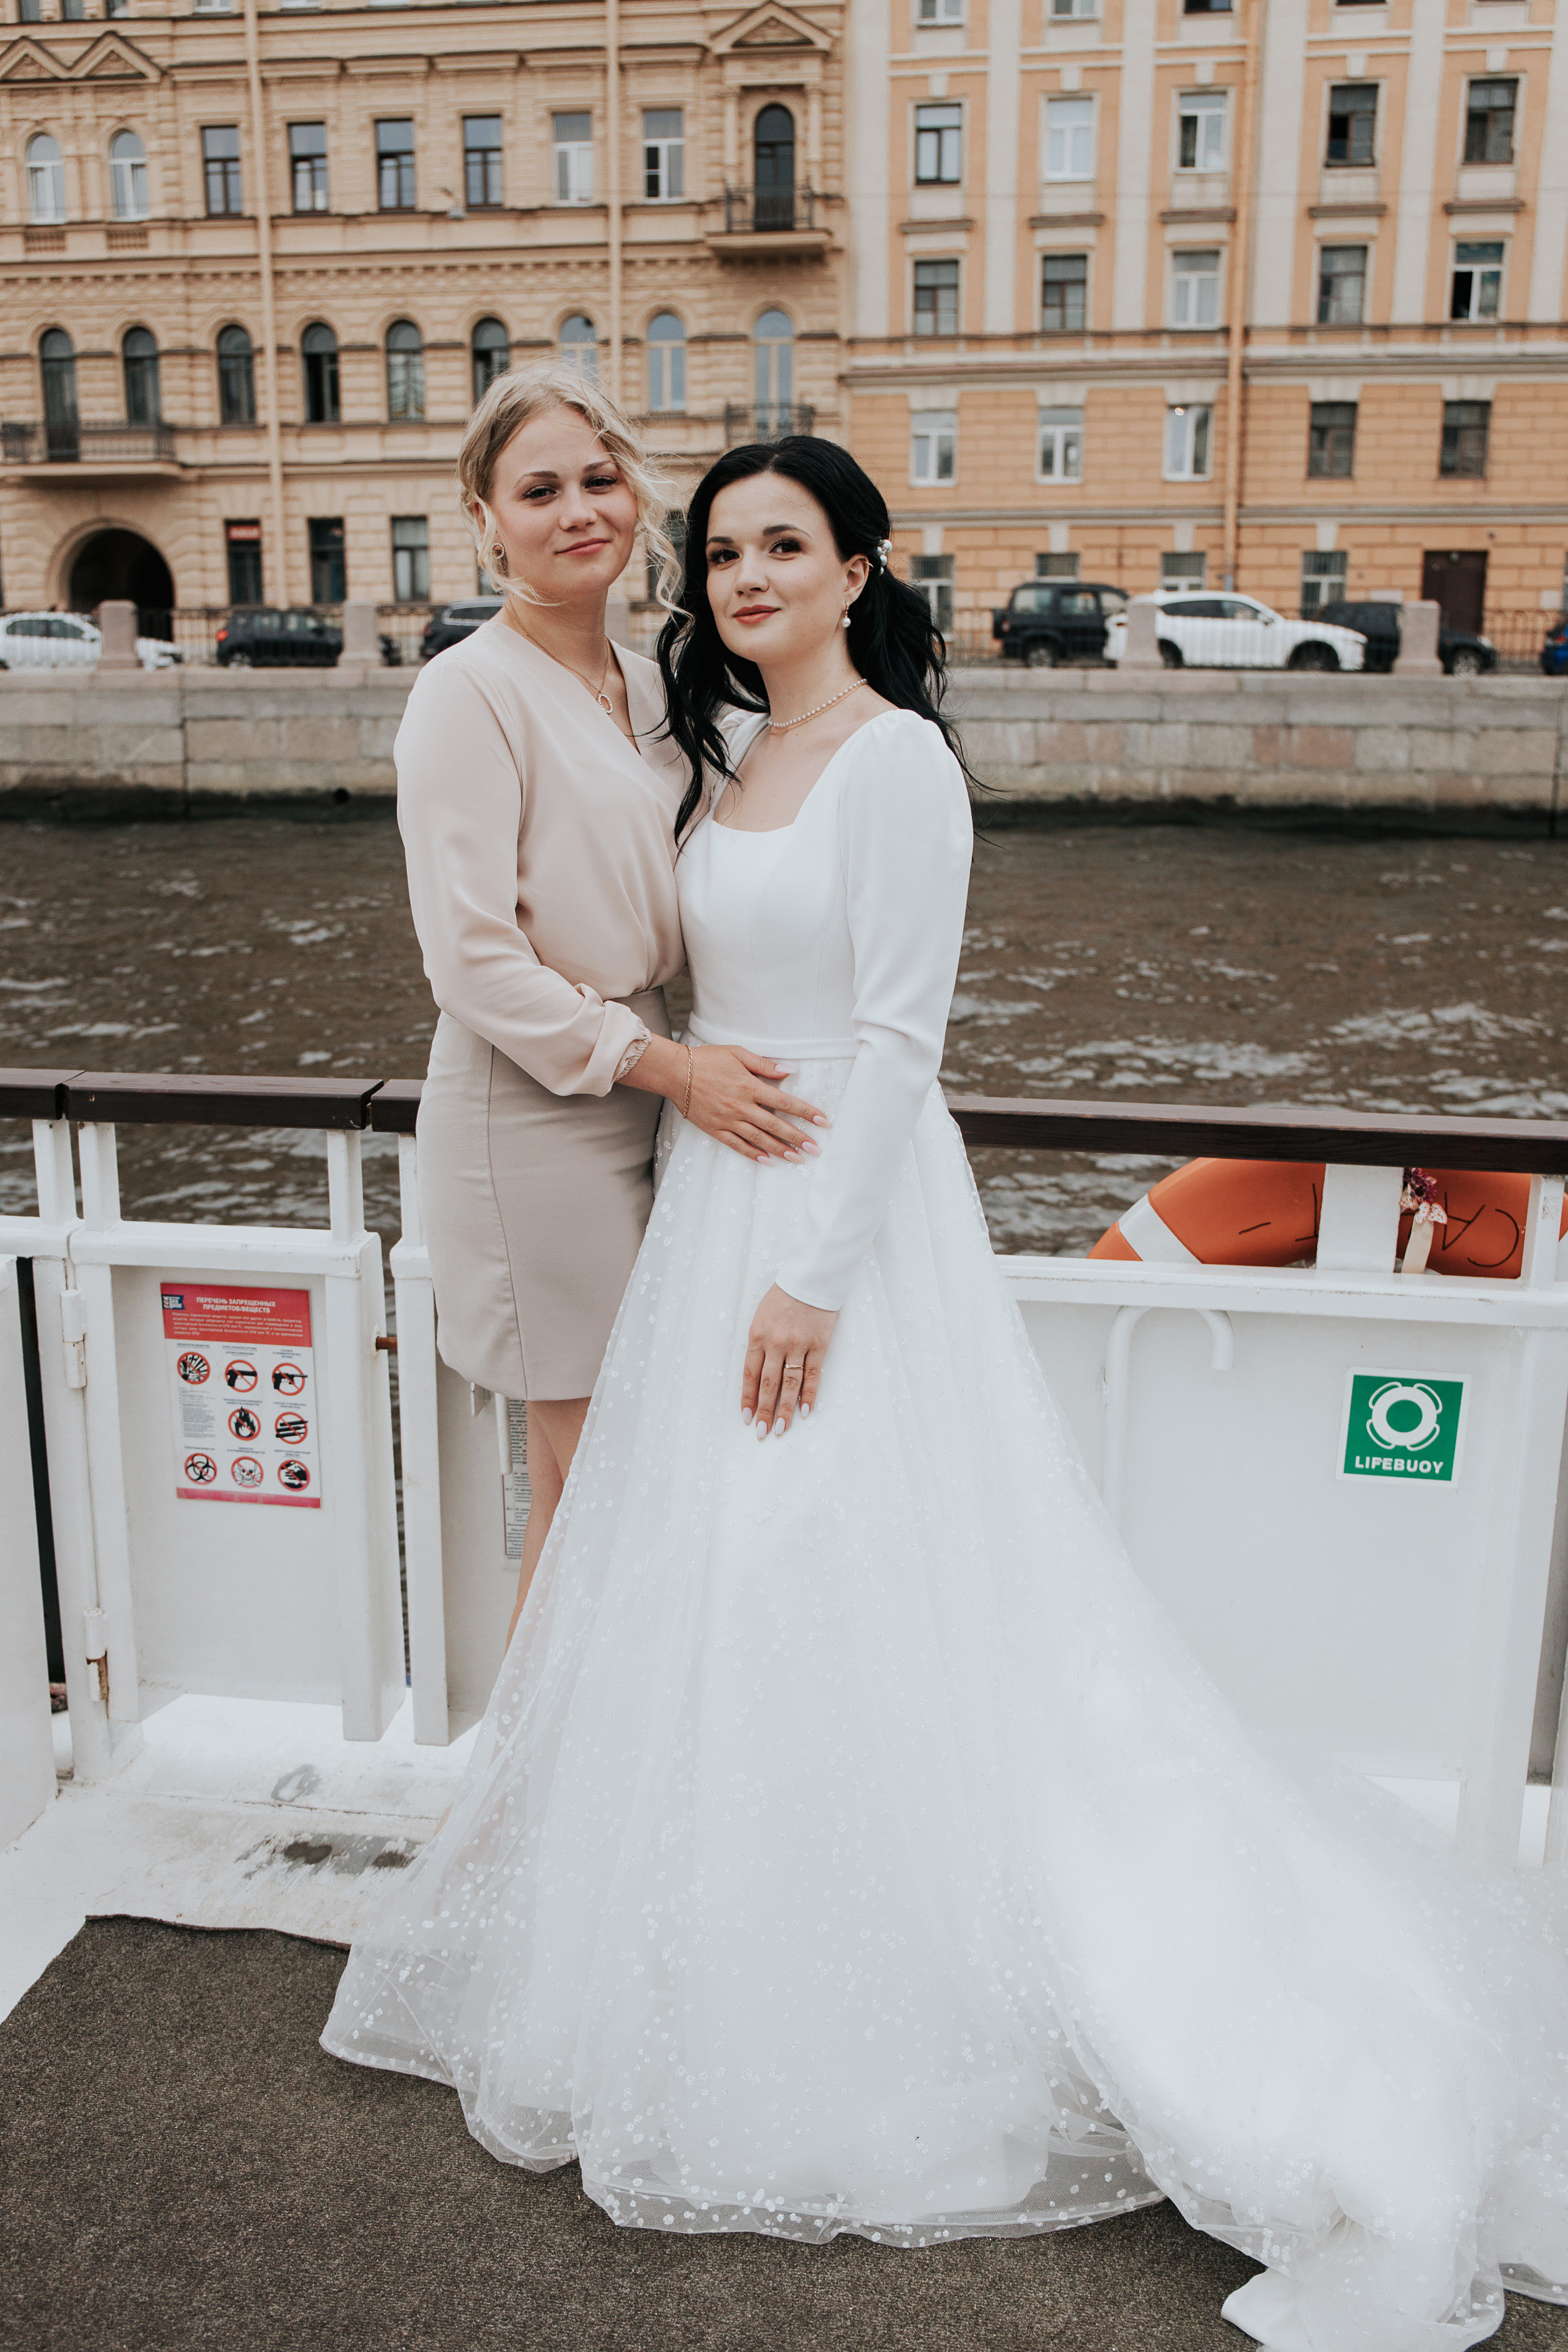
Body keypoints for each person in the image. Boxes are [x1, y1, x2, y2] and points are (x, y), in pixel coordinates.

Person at [325, 438, 1568, 2351]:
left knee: (839, 1561)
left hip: (836, 1226)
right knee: (718, 1590)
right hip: (711, 1204)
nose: (744, 577)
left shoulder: (899, 761)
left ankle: (932, 1990)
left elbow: (902, 1035)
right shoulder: (723, 757)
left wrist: (817, 1282)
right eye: (726, 549)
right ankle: (718, 1965)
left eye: (782, 548)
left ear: (855, 571)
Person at [397, 364, 823, 1637]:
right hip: (531, 1119)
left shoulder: (652, 688)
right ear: (484, 516)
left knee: (599, 1499)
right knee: (609, 1490)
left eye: (599, 478)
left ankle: (527, 1811)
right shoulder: (465, 695)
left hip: (649, 1099)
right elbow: (470, 961)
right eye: (539, 489)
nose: (578, 509)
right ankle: (540, 1819)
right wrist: (676, 1072)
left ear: (635, 493)